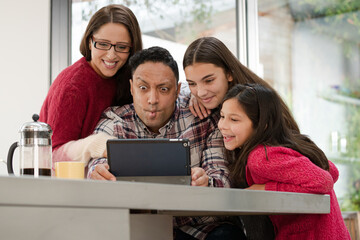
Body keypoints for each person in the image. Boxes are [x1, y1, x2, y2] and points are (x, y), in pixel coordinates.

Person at [87, 46, 246, 240]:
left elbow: (222, 178)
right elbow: (94, 162)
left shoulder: (203, 117)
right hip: (139, 228)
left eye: (163, 89)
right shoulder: (115, 120)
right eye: (143, 88)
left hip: (200, 227)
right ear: (131, 88)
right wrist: (97, 172)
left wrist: (206, 182)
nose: (152, 100)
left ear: (178, 90)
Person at [218, 83, 351, 239]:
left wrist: (266, 189)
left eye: (234, 120)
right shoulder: (289, 145)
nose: (222, 125)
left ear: (262, 125)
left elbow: (324, 180)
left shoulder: (261, 157)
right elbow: (331, 171)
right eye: (222, 116)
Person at [39, 4, 143, 168]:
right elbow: (51, 157)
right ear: (89, 42)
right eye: (102, 44)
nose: (111, 55)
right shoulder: (73, 87)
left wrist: (194, 99)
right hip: (69, 185)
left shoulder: (126, 77)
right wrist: (94, 145)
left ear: (131, 49)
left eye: (121, 47)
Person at [183, 36, 299, 135]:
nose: (200, 92)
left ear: (229, 74)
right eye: (192, 83)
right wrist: (193, 96)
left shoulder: (255, 102)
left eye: (209, 81)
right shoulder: (200, 97)